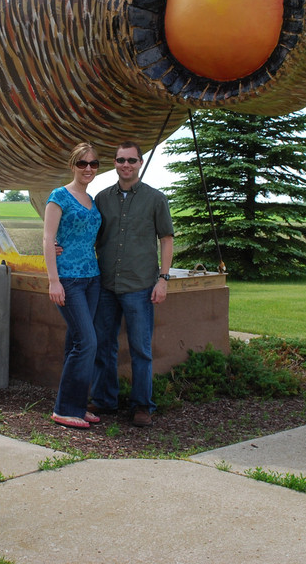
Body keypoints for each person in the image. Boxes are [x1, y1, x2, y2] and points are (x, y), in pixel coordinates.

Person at [89, 140, 173, 427]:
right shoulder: (101, 198)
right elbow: (92, 237)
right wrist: (59, 246)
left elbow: (166, 239)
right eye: (120, 160)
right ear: (114, 163)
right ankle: (104, 400)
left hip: (140, 287)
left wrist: (163, 279)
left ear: (140, 163)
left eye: (131, 160)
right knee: (104, 346)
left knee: (140, 350)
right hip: (106, 286)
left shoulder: (155, 199)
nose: (126, 165)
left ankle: (142, 406)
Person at [42, 142, 104, 429]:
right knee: (87, 342)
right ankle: (64, 409)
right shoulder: (59, 196)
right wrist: (54, 281)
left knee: (77, 343)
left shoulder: (92, 200)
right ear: (72, 165)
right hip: (69, 280)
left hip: (92, 278)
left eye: (93, 164)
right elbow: (47, 238)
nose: (88, 169)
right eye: (82, 163)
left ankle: (76, 405)